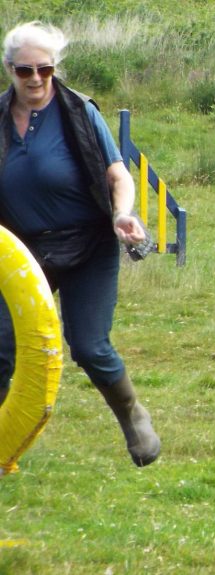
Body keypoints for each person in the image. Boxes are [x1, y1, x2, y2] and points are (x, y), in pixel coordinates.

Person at [0, 21, 160, 467]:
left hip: (88, 245)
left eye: (45, 70)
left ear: (55, 69)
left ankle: (131, 415)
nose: (35, 80)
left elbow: (117, 174)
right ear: (9, 69)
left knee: (89, 345)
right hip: (21, 252)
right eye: (25, 71)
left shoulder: (80, 111)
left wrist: (122, 214)